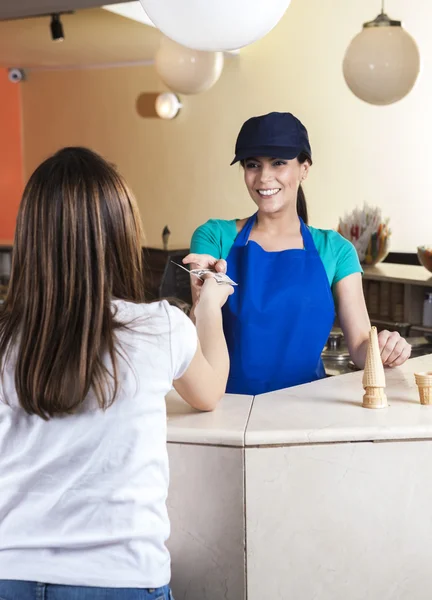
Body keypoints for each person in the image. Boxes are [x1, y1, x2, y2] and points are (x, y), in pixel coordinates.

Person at [0, 148, 233, 599]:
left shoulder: (6, 338)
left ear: (30, 239)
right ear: (121, 234)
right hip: (118, 579)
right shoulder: (161, 327)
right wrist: (209, 307)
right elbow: (210, 392)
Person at [184, 112, 411, 396]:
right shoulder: (214, 236)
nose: (264, 177)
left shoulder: (336, 250)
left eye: (279, 163)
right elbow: (201, 326)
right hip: (226, 407)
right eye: (253, 165)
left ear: (304, 168)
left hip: (306, 411)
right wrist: (202, 293)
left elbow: (360, 348)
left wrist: (387, 348)